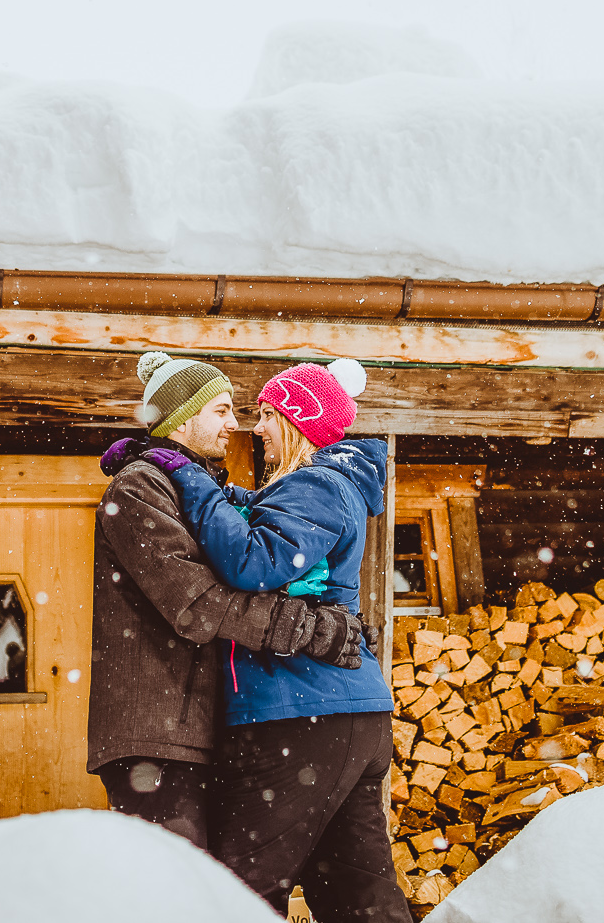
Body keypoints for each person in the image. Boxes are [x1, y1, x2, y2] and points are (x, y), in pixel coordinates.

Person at [165, 358, 412, 923]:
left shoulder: (317, 485)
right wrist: (217, 488)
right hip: (343, 711)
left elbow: (253, 561)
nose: (256, 429)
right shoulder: (328, 486)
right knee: (359, 896)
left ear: (298, 420)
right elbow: (263, 522)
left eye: (267, 415)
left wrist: (191, 479)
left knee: (240, 890)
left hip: (299, 709)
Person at [90, 350, 369, 849]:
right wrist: (311, 629)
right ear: (181, 418)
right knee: (176, 882)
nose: (235, 425)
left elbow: (263, 527)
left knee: (215, 881)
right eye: (221, 410)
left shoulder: (194, 488)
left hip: (202, 725)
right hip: (156, 732)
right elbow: (198, 602)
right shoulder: (138, 488)